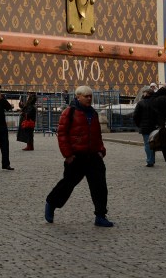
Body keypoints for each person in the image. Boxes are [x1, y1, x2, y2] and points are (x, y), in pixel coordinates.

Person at [44, 85, 114, 227]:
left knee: (100, 186)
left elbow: (97, 135)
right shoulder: (69, 112)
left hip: (93, 156)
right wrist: (68, 155)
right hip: (76, 157)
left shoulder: (93, 113)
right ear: (78, 97)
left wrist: (101, 151)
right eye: (86, 96)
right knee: (67, 184)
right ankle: (51, 203)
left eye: (90, 96)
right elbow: (62, 135)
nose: (89, 98)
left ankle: (100, 215)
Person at [133, 87, 157, 167]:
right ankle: (152, 159)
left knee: (147, 144)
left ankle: (149, 161)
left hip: (144, 126)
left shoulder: (140, 103)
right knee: (153, 143)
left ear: (146, 94)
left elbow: (135, 115)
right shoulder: (155, 102)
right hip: (153, 126)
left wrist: (139, 124)